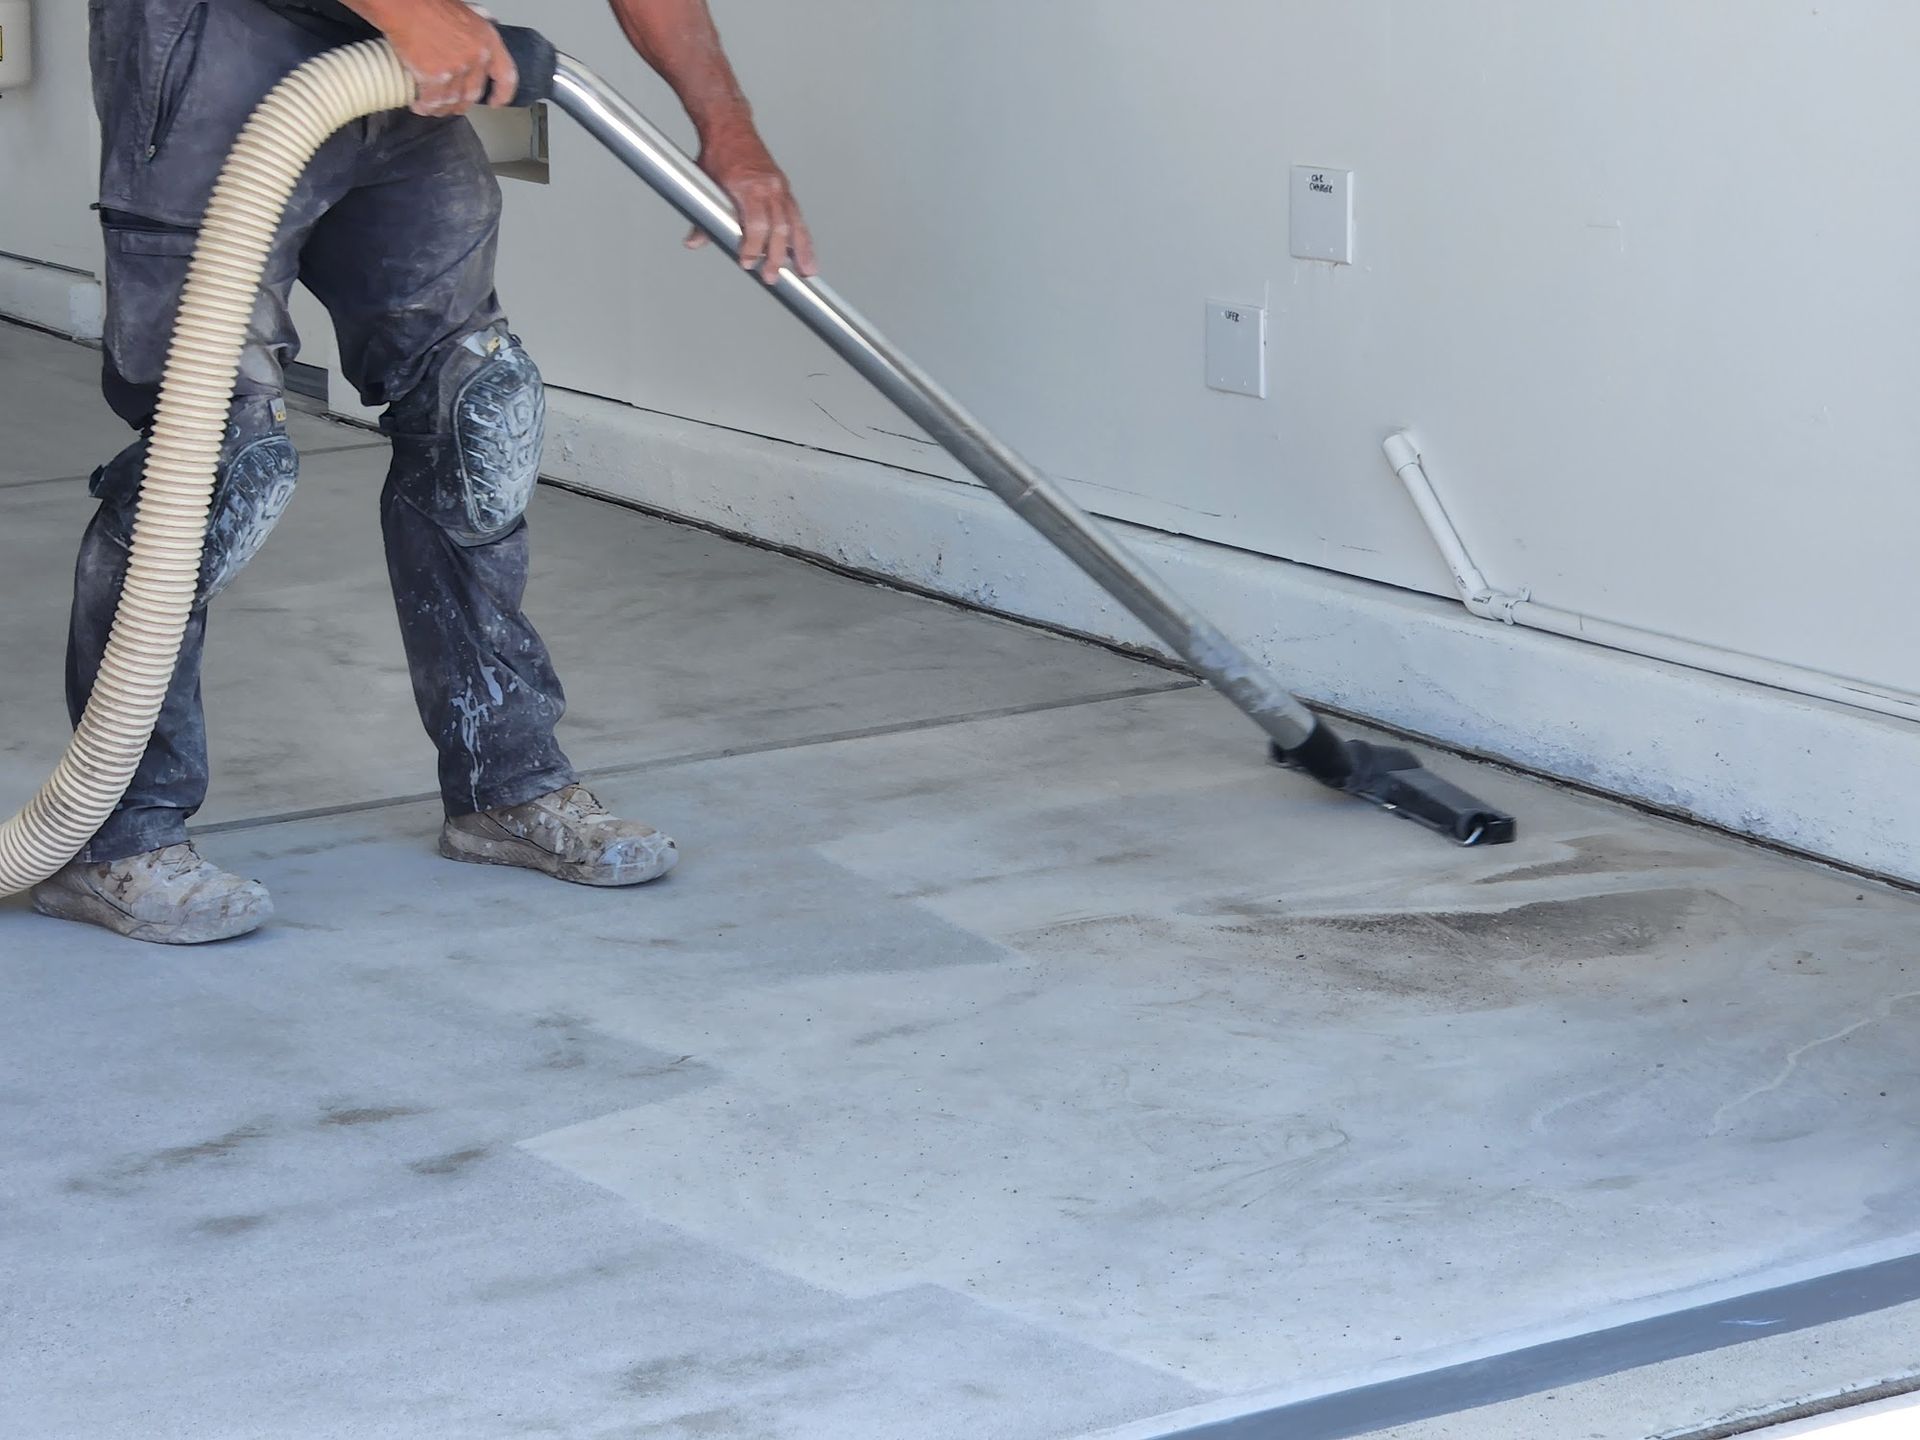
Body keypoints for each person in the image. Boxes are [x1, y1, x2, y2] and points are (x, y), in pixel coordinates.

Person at [31, 0, 817, 944]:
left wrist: (730, 136)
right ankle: (115, 837)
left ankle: (504, 785)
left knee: (476, 404)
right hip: (212, 45)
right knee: (212, 453)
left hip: (397, 60)